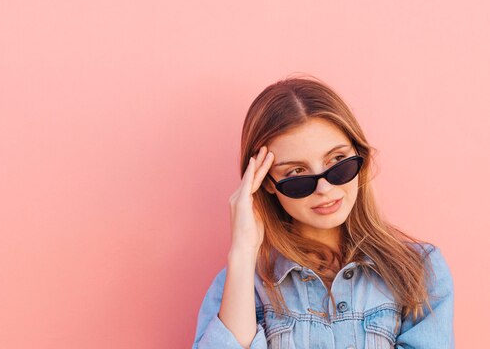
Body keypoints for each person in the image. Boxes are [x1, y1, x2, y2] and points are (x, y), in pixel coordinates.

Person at [191, 75, 454, 349]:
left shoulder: (420, 271)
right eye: (297, 173)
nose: (324, 188)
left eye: (338, 161)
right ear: (267, 183)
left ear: (358, 155)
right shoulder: (240, 283)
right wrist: (243, 252)